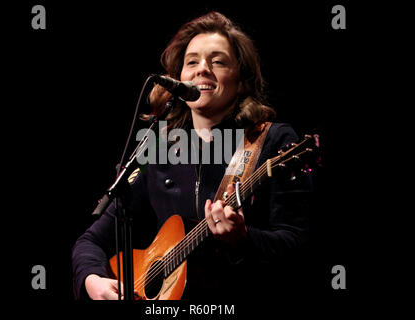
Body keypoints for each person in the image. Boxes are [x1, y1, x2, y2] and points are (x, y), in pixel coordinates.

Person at [72, 11, 312, 300]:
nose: (202, 69)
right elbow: (91, 241)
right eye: (192, 62)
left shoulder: (272, 141)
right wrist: (93, 280)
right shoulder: (159, 150)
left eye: (218, 61)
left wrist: (243, 239)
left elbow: (298, 242)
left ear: (242, 80)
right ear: (178, 79)